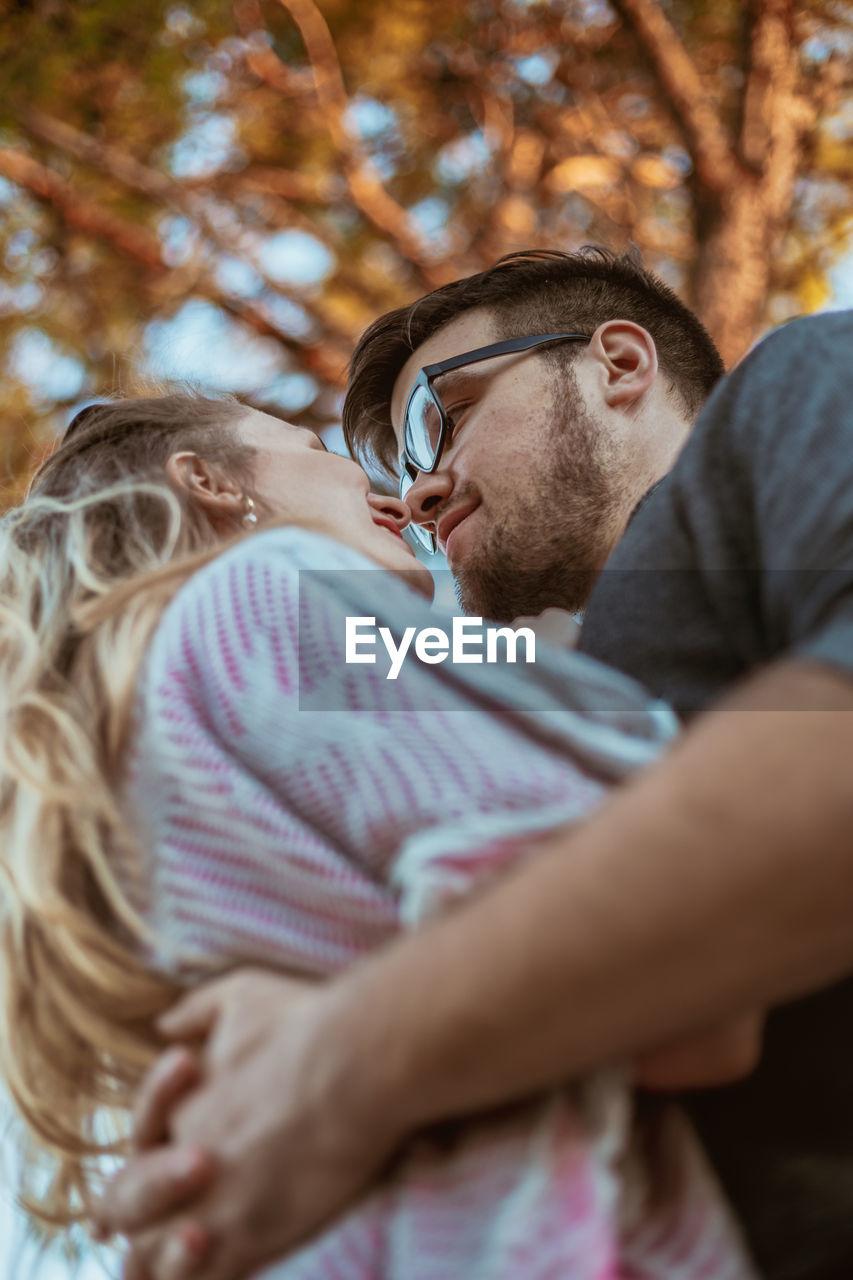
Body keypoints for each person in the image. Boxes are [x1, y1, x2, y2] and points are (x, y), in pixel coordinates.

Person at [96, 248, 853, 1280]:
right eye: (400, 469)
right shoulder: (475, 694)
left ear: (617, 365)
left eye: (439, 419)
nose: (419, 492)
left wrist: (332, 1066)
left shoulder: (799, 388)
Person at [0, 391, 762, 1279]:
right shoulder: (262, 596)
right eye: (315, 445)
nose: (396, 496)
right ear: (206, 480)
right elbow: (685, 982)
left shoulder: (112, 809)